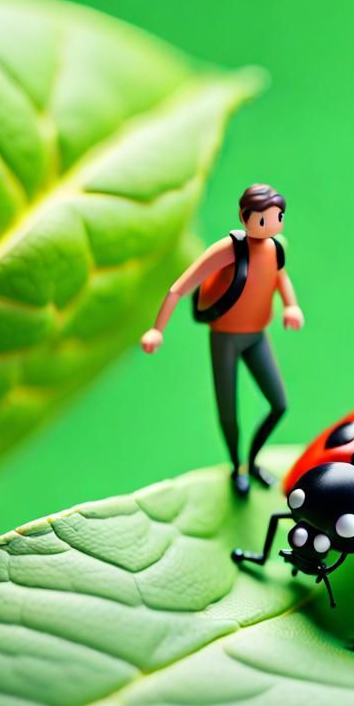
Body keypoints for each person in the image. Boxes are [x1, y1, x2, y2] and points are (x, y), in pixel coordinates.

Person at [141, 183, 304, 496]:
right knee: (229, 413)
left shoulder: (275, 248)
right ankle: (236, 467)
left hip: (257, 337)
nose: (271, 225)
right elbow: (180, 287)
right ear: (244, 218)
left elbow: (280, 276)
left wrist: (291, 305)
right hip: (225, 340)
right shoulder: (228, 250)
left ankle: (253, 461)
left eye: (278, 217)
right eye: (262, 220)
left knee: (278, 404)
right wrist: (157, 329)